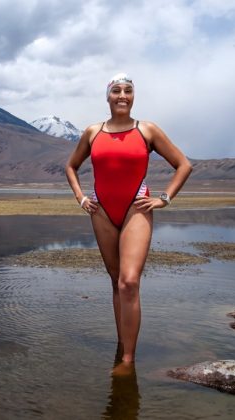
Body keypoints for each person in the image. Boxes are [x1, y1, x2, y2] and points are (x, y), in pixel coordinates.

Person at [65, 73, 192, 366]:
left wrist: (164, 198)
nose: (122, 95)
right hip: (102, 212)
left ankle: (127, 361)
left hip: (137, 207)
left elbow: (184, 165)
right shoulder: (92, 132)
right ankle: (123, 342)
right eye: (116, 91)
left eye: (128, 90)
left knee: (129, 282)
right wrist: (81, 197)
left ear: (134, 96)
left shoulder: (147, 130)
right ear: (107, 96)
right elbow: (71, 166)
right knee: (115, 281)